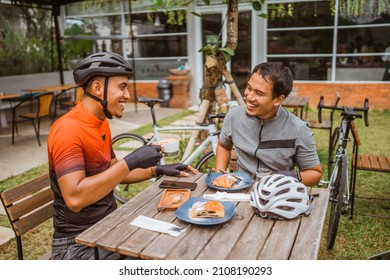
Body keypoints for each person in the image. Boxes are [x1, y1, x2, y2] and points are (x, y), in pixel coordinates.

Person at [48, 52, 197, 260]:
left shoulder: (100, 122)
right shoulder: (68, 129)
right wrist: (132, 160)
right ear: (97, 87)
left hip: (107, 227)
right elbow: (75, 198)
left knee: (177, 242)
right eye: (122, 87)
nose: (127, 95)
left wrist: (158, 170)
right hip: (77, 243)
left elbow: (114, 172)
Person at [214, 62, 322, 187]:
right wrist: (219, 176)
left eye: (259, 93)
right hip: (240, 190)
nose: (249, 97)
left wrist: (284, 178)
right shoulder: (234, 116)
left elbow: (315, 174)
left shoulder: (298, 129)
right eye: (249, 88)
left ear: (278, 99)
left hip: (276, 195)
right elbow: (224, 146)